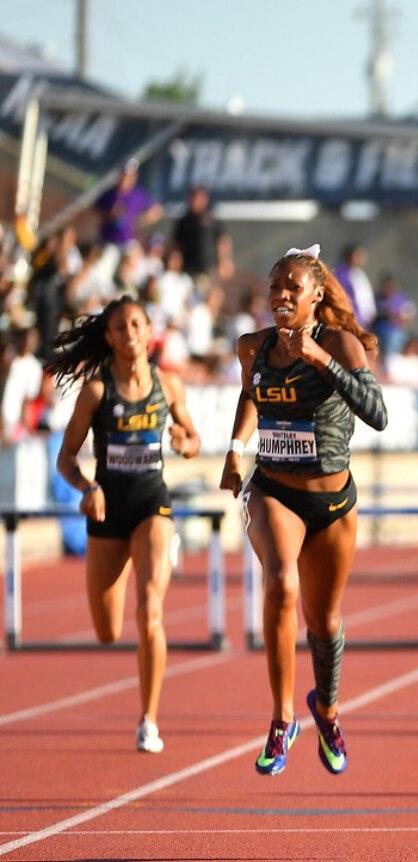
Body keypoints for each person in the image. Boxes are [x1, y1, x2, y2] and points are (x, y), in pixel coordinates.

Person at [218, 243, 387, 775]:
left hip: (333, 502)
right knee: (281, 584)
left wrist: (321, 360)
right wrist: (235, 448)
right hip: (274, 490)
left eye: (293, 287)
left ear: (316, 294)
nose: (282, 296)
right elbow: (252, 393)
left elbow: (377, 414)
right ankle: (281, 717)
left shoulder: (340, 342)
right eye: (275, 288)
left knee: (325, 620)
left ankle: (328, 710)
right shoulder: (253, 346)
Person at [47, 296, 202, 752]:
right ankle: (140, 555)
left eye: (137, 323)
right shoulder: (97, 392)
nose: (130, 331)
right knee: (108, 631)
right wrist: (87, 488)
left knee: (150, 612)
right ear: (110, 336)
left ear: (149, 329)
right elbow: (66, 459)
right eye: (121, 326)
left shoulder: (169, 386)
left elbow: (193, 440)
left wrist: (184, 441)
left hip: (152, 502)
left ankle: (148, 721)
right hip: (108, 509)